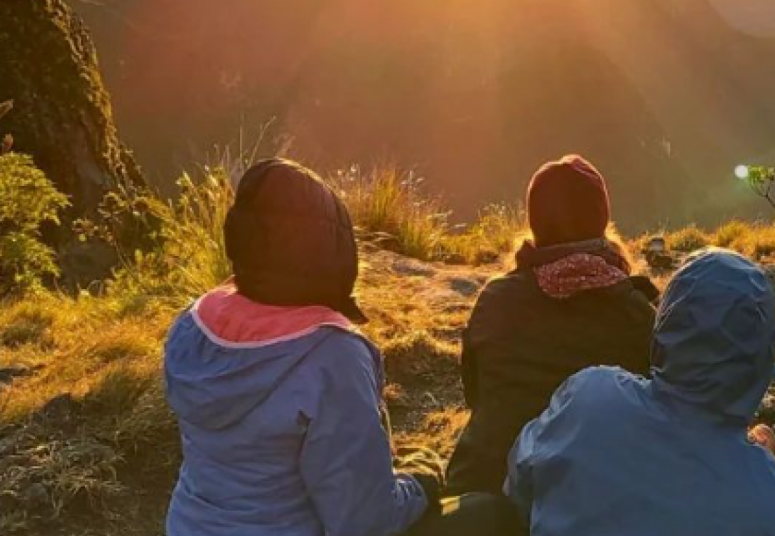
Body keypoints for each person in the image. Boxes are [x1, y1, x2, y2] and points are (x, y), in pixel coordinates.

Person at [163, 158, 519, 536]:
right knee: (487, 514)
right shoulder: (333, 357)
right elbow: (363, 522)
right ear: (332, 252)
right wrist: (422, 479)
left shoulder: (194, 325)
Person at [506, 248, 775, 536]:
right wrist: (761, 469)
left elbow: (519, 485)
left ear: (664, 326)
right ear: (764, 354)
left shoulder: (589, 398)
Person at [446, 154, 657, 495]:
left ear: (535, 222)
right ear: (602, 221)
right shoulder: (637, 312)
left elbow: (476, 393)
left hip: (484, 488)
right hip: (593, 501)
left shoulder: (497, 300)